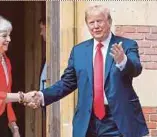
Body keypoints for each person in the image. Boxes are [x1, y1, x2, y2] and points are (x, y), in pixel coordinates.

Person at [26, 5, 149, 137]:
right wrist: (43, 95)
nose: (95, 26)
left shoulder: (126, 45)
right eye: (91, 22)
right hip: (87, 122)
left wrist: (123, 61)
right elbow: (67, 83)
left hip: (117, 121)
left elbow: (136, 69)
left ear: (109, 22)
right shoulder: (79, 51)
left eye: (99, 21)